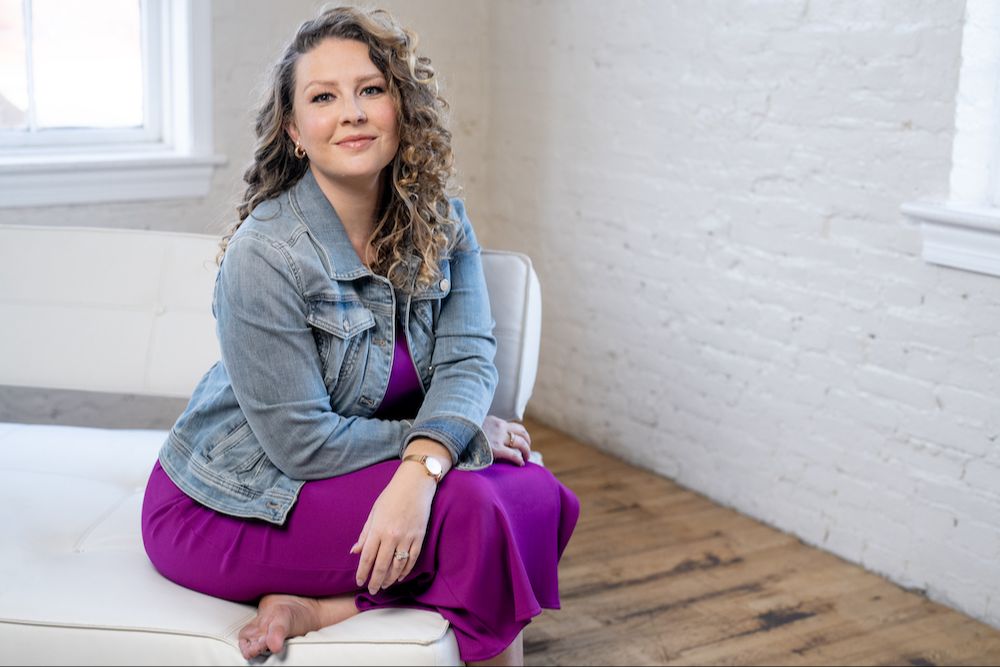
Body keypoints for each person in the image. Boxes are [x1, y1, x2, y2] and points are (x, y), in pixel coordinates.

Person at [139, 5, 579, 666]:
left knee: (533, 493)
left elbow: (468, 358)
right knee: (477, 513)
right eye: (323, 97)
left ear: (401, 109)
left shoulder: (442, 221)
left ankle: (320, 608)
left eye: (370, 89)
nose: (351, 112)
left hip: (352, 472)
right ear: (294, 130)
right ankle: (328, 598)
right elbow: (303, 443)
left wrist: (426, 463)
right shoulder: (266, 254)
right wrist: (442, 447)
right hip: (234, 500)